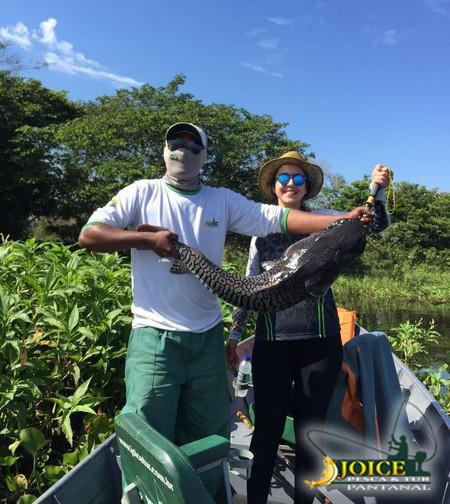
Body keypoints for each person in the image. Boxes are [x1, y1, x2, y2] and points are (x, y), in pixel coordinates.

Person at [78, 125, 372, 499]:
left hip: (208, 337)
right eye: (176, 142)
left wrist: (346, 218)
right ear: (165, 149)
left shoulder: (223, 201)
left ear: (204, 155)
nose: (183, 150)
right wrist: (146, 239)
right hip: (157, 335)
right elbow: (90, 235)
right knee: (151, 435)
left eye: (192, 145)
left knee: (212, 435)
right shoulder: (141, 192)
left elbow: (280, 218)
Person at [225, 151, 391, 504]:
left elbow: (372, 223)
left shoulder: (328, 221)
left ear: (306, 187)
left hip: (320, 344)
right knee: (266, 431)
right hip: (272, 343)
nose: (291, 184)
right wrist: (236, 334)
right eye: (283, 178)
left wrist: (377, 190)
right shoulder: (260, 231)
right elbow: (249, 288)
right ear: (273, 187)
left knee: (309, 435)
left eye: (298, 178)